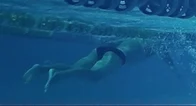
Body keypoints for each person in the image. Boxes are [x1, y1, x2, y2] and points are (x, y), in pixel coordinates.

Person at [23, 38, 153, 92]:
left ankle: (41, 69)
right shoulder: (152, 46)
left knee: (76, 68)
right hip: (118, 56)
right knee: (96, 76)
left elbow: (110, 42)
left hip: (102, 50)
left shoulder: (134, 40)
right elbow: (164, 56)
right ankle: (59, 75)